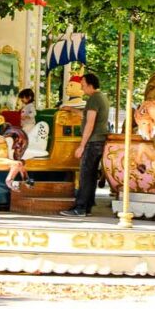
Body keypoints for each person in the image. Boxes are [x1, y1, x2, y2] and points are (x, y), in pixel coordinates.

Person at [61, 73, 109, 217]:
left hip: (92, 141)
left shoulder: (94, 99)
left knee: (85, 175)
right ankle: (87, 205)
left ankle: (80, 207)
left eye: (82, 84)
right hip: (98, 140)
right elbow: (87, 116)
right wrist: (73, 110)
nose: (81, 87)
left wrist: (82, 145)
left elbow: (90, 122)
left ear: (89, 84)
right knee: (91, 174)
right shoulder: (102, 97)